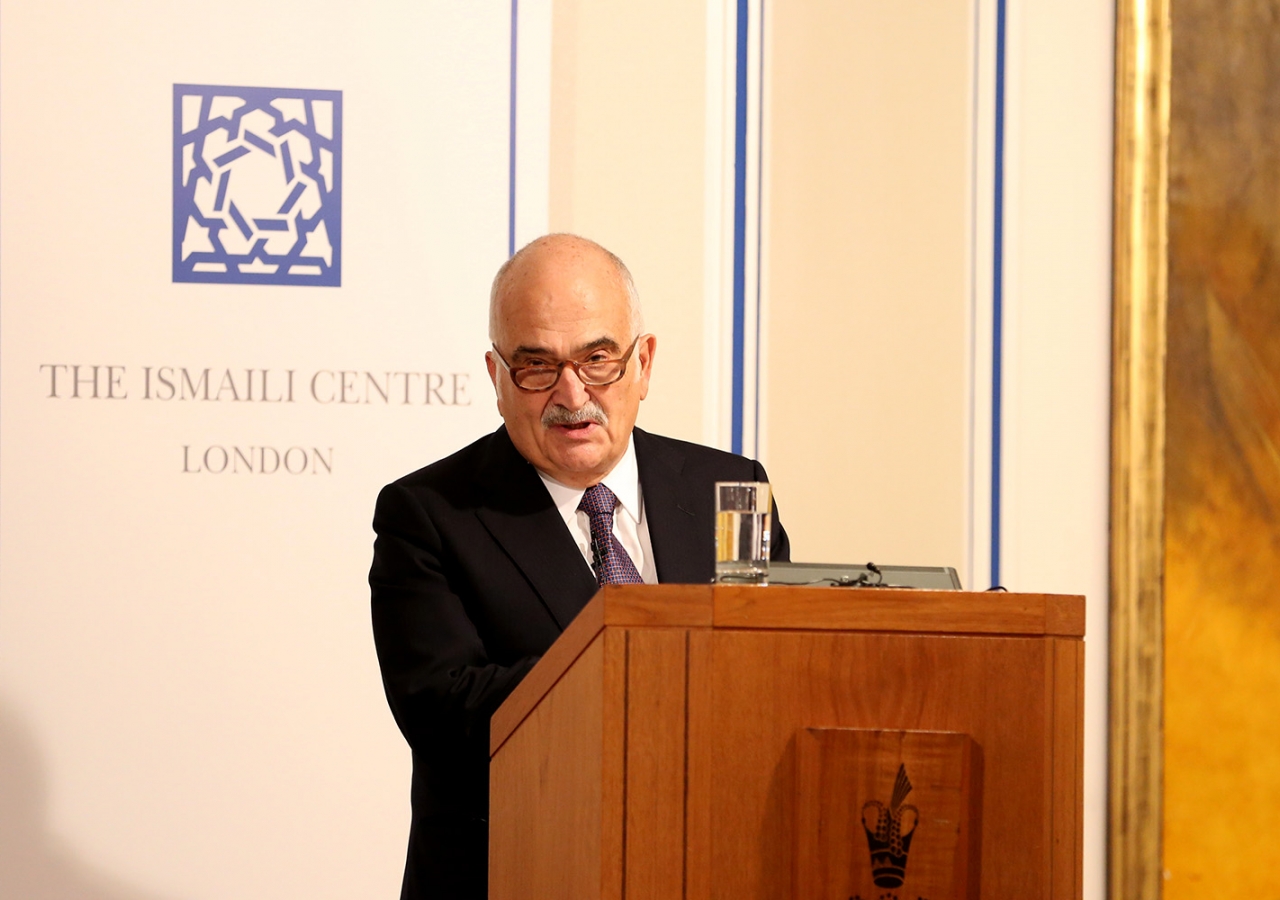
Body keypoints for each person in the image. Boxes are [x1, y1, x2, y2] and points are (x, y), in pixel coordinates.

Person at [369, 234, 789, 899]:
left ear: (643, 362)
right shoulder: (428, 514)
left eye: (598, 359)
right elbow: (442, 710)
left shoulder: (730, 489)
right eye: (536, 365)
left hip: (710, 868)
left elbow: (779, 673)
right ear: (497, 378)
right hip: (516, 872)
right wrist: (649, 670)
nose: (572, 392)